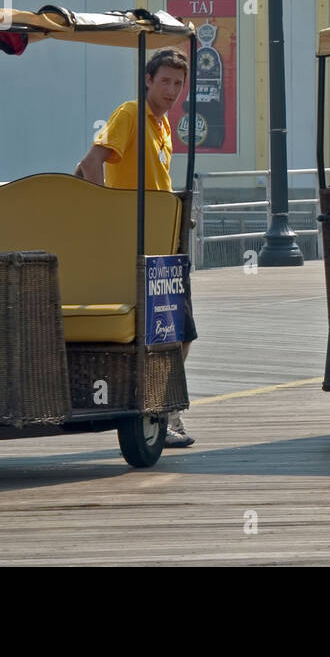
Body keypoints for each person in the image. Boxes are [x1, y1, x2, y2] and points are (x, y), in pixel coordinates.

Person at [75, 47, 199, 447]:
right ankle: (162, 412)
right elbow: (90, 165)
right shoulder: (131, 114)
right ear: (148, 80)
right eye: (165, 81)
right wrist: (107, 217)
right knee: (164, 331)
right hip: (138, 243)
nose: (172, 91)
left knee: (180, 332)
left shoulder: (163, 126)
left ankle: (161, 408)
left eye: (178, 84)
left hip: (163, 243)